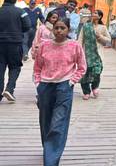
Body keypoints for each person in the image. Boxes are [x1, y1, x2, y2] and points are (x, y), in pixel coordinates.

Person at [33, 17, 86, 166]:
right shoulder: (44, 45)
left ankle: (50, 160)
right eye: (56, 27)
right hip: (45, 86)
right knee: (45, 122)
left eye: (63, 28)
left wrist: (71, 82)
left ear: (68, 29)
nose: (59, 31)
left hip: (64, 86)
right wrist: (38, 83)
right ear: (52, 28)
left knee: (58, 123)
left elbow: (82, 67)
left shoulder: (74, 46)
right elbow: (37, 67)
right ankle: (49, 149)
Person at [0, 0, 31, 102]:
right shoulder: (20, 12)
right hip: (15, 44)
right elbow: (28, 26)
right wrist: (17, 31)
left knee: (0, 67)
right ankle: (9, 89)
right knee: (15, 67)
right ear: (15, 1)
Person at [78, 10, 110, 100]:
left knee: (97, 71)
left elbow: (108, 40)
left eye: (95, 13)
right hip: (86, 53)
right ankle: (86, 92)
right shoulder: (86, 26)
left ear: (100, 16)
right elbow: (80, 39)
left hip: (97, 54)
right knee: (85, 73)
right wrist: (78, 51)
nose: (93, 14)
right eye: (93, 13)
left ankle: (95, 87)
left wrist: (100, 36)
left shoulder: (102, 27)